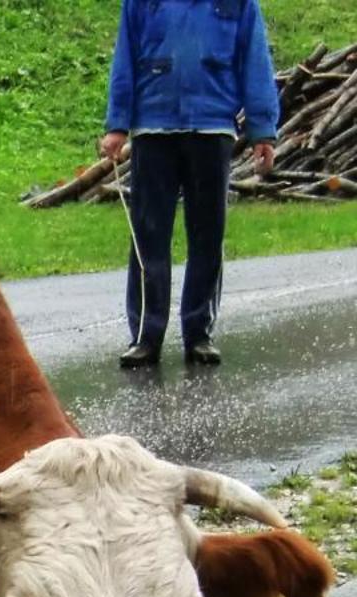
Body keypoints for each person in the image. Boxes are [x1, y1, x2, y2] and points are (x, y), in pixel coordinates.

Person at [100, 0, 280, 368]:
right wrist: (117, 124)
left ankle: (199, 334)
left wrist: (263, 129)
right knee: (148, 236)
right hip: (154, 126)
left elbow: (255, 60)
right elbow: (125, 56)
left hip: (212, 127)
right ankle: (146, 337)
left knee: (207, 236)